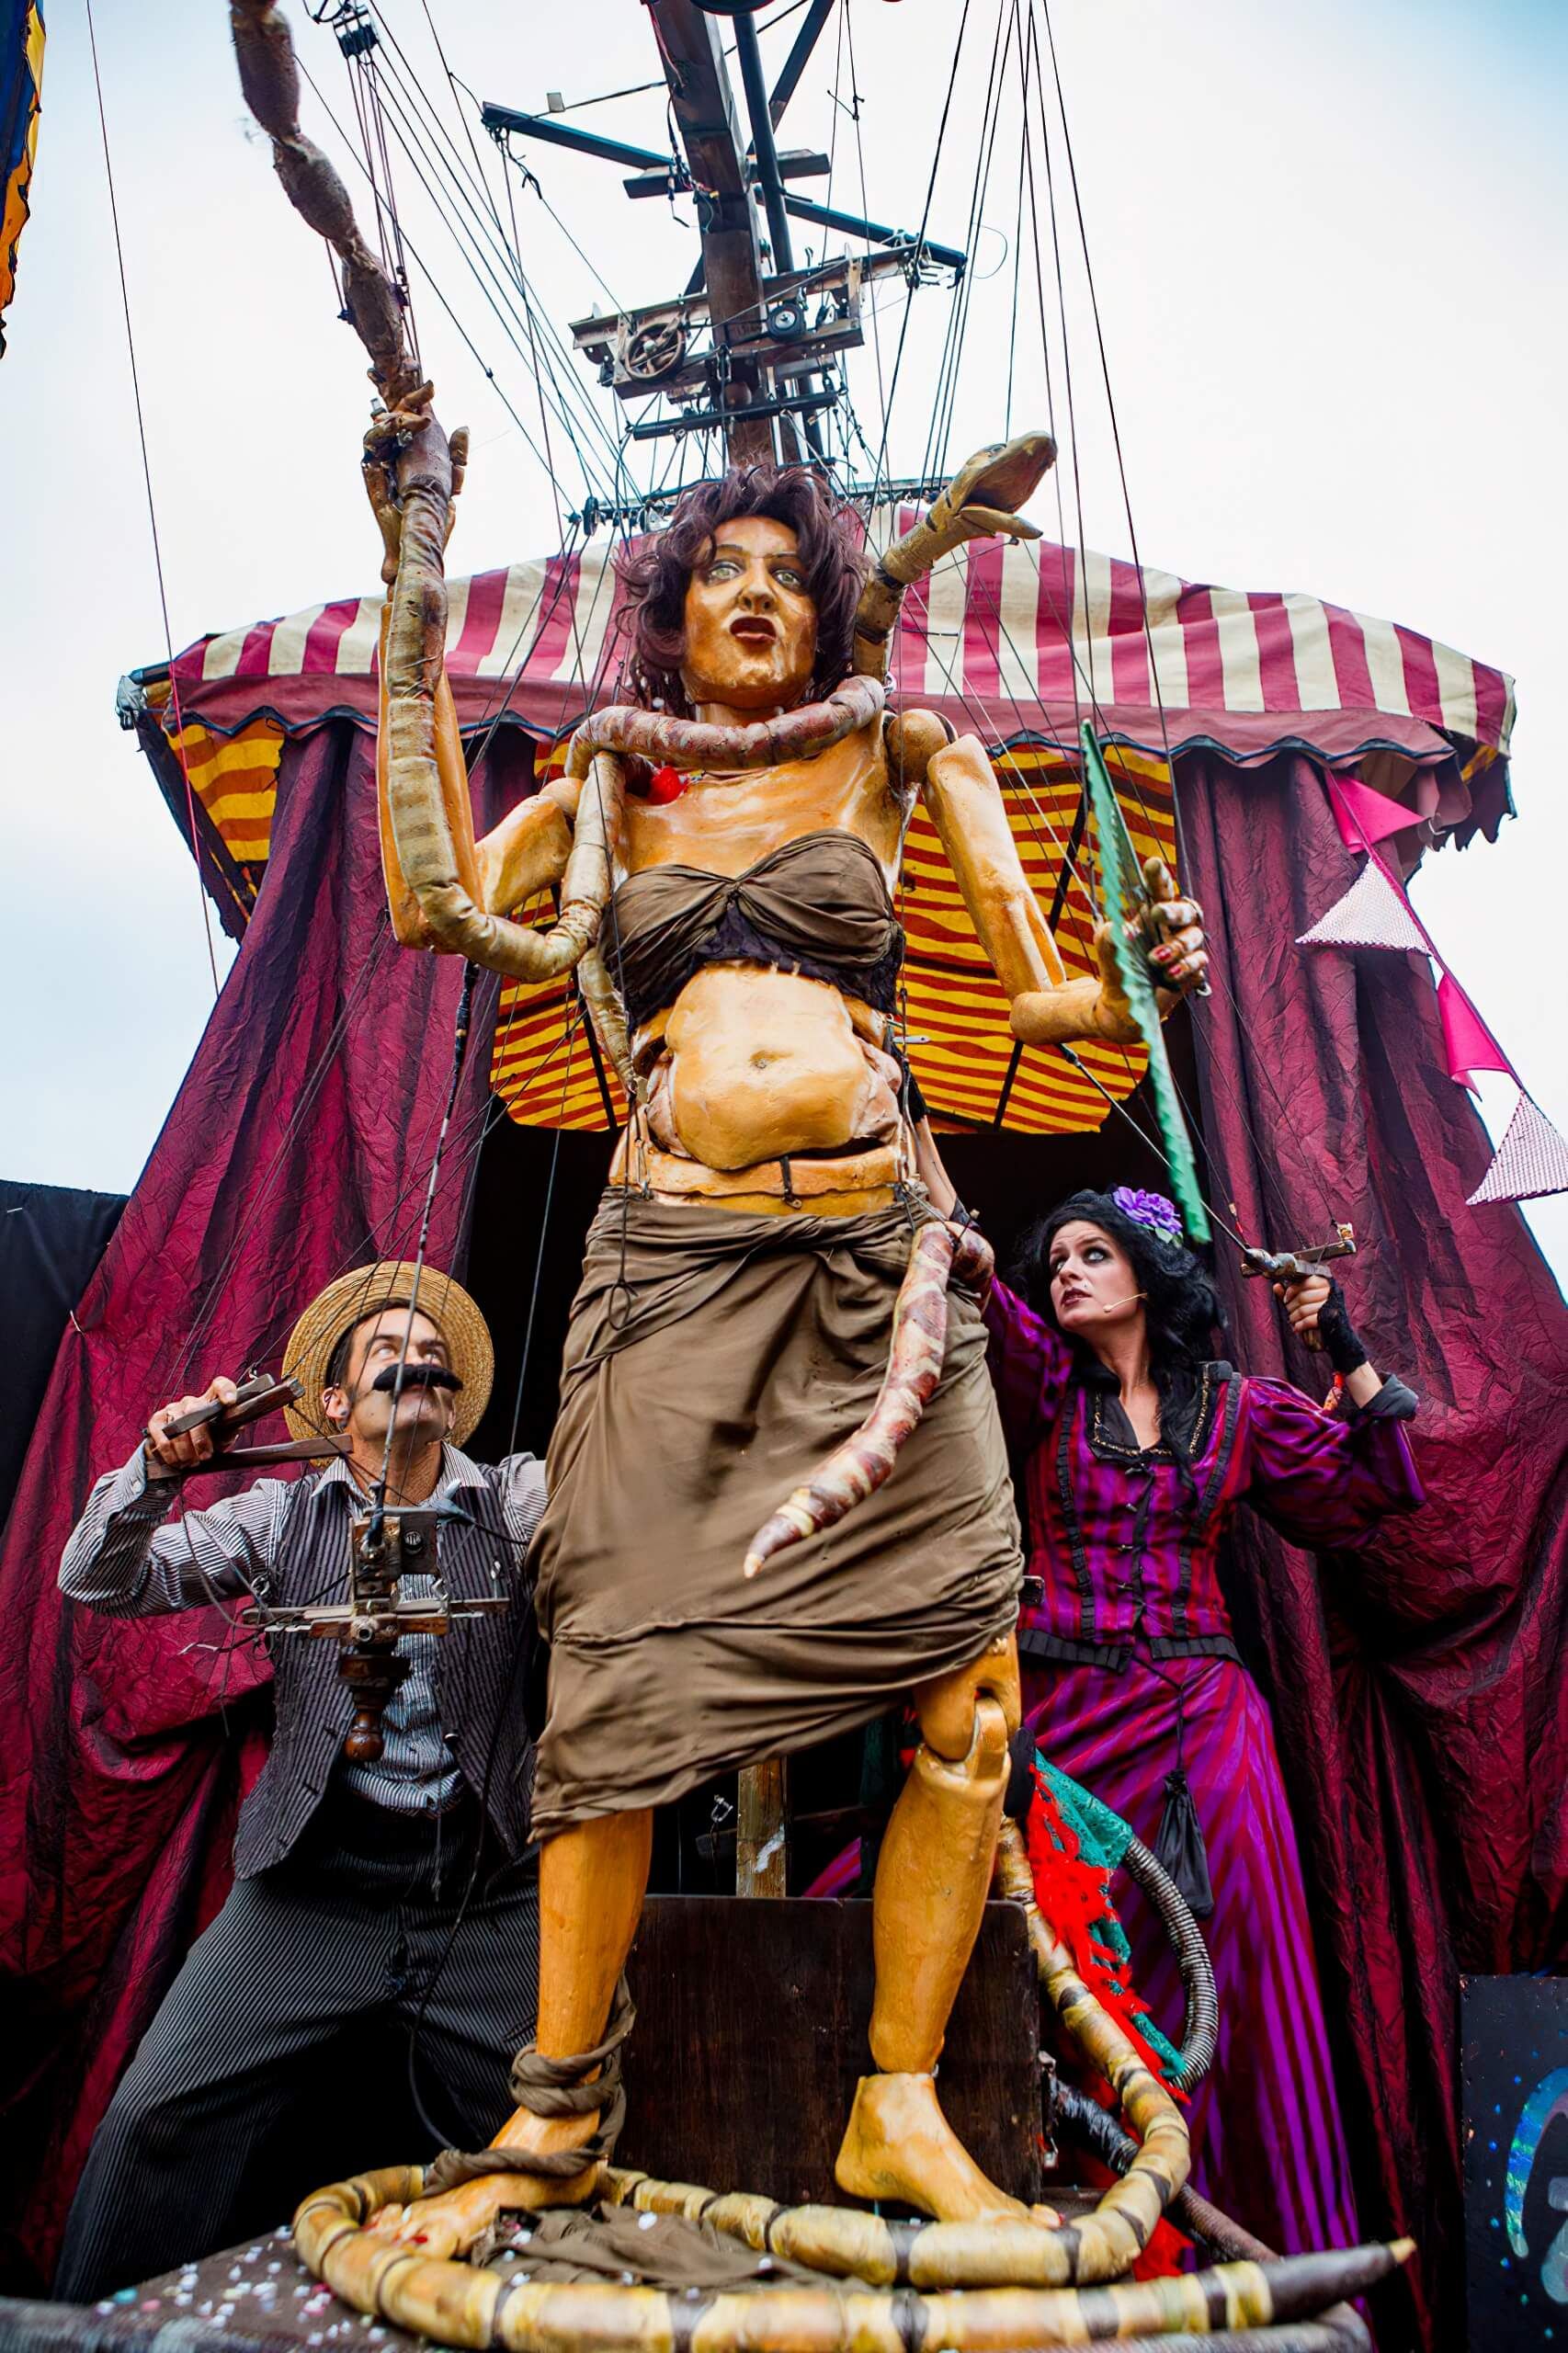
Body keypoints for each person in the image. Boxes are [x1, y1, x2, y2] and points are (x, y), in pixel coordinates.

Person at [349, 434, 1212, 2257]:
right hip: (670, 1272)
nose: (753, 592)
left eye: (783, 571)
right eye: (718, 570)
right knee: (608, 1700)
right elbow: (436, 902)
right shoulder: (605, 787)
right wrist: (409, 587)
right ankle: (552, 2117)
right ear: (671, 617)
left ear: (823, 612)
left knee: (968, 1695)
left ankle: (898, 2101)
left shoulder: (898, 756)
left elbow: (1050, 999)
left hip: (882, 1266)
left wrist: (1138, 968)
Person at [51, 1264, 545, 2301]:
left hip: (486, 1896)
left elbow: (632, 1521)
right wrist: (155, 1469)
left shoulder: (512, 1500)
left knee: (568, 2128)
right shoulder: (281, 1519)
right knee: (152, 2120)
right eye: (386, 1351)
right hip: (311, 1893)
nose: (416, 1362)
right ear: (332, 1403)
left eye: (432, 1355)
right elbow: (95, 1575)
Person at [951, 1178, 1424, 2258]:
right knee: (1054, 1958)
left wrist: (1338, 1344)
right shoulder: (1042, 1386)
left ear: (1147, 1275)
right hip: (1066, 1721)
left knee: (1235, 1965)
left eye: (1091, 1255)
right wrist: (908, 1116)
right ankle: (1084, 2223)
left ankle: (1236, 2232)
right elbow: (975, 1280)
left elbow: (1374, 1489)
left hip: (1209, 1729)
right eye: (1056, 1260)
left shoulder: (1239, 1407)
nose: (1065, 1273)